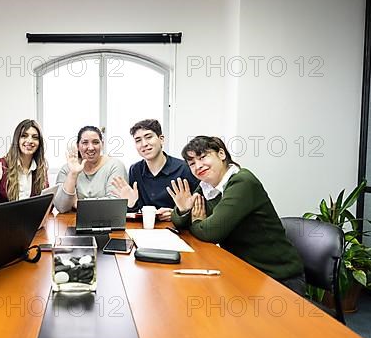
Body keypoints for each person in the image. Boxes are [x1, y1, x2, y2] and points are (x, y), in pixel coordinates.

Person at [168, 136, 305, 295]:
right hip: (244, 270)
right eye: (192, 163)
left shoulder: (242, 182)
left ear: (221, 154)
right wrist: (184, 210)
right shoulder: (206, 186)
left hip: (278, 277)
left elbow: (212, 231)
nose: (198, 166)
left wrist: (196, 220)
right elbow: (178, 222)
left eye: (203, 157)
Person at [111, 119, 199, 221]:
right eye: (138, 140)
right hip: (144, 229)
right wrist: (131, 204)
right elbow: (133, 213)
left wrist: (176, 214)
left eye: (148, 137)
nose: (144, 144)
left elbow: (200, 208)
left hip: (176, 229)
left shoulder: (184, 168)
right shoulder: (135, 170)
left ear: (161, 139)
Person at [0, 119, 49, 226]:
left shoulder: (40, 169)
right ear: (16, 140)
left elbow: (46, 206)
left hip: (24, 227)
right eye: (24, 136)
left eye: (35, 137)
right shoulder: (0, 166)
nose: (30, 140)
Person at [54, 125, 127, 213]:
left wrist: (78, 204)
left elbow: (114, 204)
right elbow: (61, 207)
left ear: (102, 144)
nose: (91, 148)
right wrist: (73, 174)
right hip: (73, 222)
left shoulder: (115, 165)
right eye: (85, 143)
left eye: (95, 142)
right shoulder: (67, 169)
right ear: (78, 146)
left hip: (106, 220)